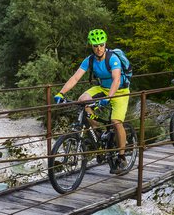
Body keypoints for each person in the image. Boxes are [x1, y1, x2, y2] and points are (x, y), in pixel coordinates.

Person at [53, 29, 131, 172]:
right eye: (95, 45)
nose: (99, 48)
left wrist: (108, 98)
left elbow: (116, 79)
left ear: (105, 43)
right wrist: (61, 93)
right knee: (82, 100)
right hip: (102, 88)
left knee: (116, 122)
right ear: (91, 45)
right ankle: (98, 132)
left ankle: (122, 156)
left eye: (101, 45)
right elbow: (75, 78)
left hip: (120, 91)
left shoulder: (112, 58)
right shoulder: (89, 60)